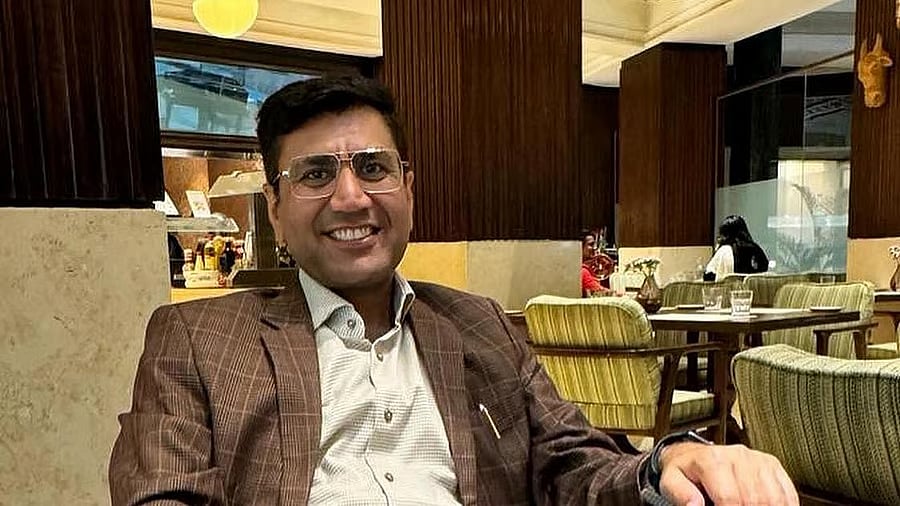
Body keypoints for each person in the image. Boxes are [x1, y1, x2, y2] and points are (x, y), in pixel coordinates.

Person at [109, 75, 798, 505]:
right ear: (276, 205)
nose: (350, 197)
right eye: (316, 174)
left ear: (407, 188)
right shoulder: (197, 339)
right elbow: (158, 493)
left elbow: (573, 466)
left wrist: (668, 463)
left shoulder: (479, 326)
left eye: (373, 167)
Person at [705, 215, 770, 281]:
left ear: (726, 234)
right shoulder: (756, 248)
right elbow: (763, 269)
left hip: (729, 286)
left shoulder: (724, 250)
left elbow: (708, 275)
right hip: (753, 287)